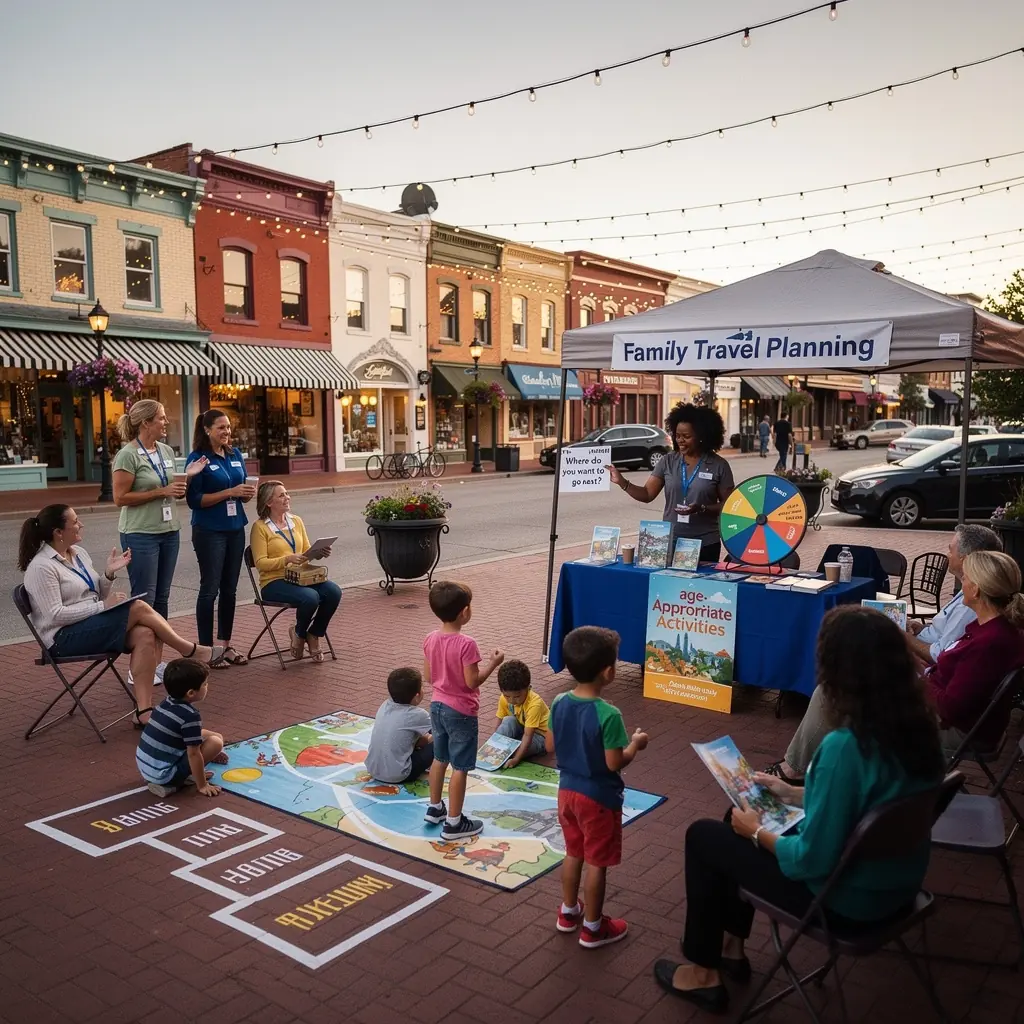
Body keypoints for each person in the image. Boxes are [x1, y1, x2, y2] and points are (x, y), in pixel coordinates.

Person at [653, 606, 945, 1013]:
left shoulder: (845, 747)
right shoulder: (920, 729)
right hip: (898, 885)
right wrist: (790, 793)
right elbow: (868, 801)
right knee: (733, 819)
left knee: (704, 837)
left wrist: (757, 833)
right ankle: (731, 950)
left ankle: (704, 973)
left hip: (846, 901)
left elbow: (812, 859)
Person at [766, 524, 1005, 784]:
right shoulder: (986, 627)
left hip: (949, 725)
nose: (947, 554)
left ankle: (803, 773)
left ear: (978, 587)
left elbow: (949, 702)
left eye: (969, 580)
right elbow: (950, 661)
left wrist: (916, 670)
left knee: (834, 695)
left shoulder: (987, 638)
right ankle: (815, 771)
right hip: (942, 706)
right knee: (847, 681)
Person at [20, 505, 223, 727]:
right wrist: (102, 607)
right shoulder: (42, 567)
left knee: (145, 633)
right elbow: (54, 616)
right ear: (58, 532)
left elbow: (95, 594)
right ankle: (188, 649)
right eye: (75, 521)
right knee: (137, 607)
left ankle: (143, 712)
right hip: (61, 638)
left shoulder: (80, 554)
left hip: (88, 625)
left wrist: (108, 574)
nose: (81, 525)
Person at [547, 626, 649, 949]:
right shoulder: (609, 714)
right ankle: (593, 927)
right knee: (596, 861)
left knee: (573, 852)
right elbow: (613, 763)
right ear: (608, 672)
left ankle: (567, 911)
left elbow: (550, 744)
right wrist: (635, 744)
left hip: (566, 792)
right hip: (599, 799)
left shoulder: (559, 702)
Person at [423, 581, 504, 842]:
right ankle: (454, 823)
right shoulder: (467, 644)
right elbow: (472, 682)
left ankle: (435, 808)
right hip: (461, 711)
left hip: (436, 706)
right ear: (465, 612)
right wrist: (493, 664)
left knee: (439, 758)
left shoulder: (430, 638)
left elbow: (428, 675)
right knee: (460, 766)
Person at [606, 404, 735, 563]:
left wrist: (702, 508)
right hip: (670, 541)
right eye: (677, 435)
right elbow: (647, 494)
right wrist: (622, 482)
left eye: (686, 436)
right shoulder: (667, 461)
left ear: (702, 436)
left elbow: (730, 505)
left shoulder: (719, 465)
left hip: (705, 543)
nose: (680, 440)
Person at [927, 549, 1024, 754]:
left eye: (965, 578)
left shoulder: (989, 643)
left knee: (862, 710)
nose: (962, 585)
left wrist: (914, 684)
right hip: (962, 719)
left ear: (976, 590)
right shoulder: (994, 627)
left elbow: (950, 708)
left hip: (961, 731)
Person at [186, 410, 255, 668]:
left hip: (235, 527)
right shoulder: (198, 459)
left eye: (228, 427)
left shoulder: (235, 454)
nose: (226, 432)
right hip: (209, 530)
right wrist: (230, 492)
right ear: (207, 429)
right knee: (210, 590)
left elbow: (241, 488)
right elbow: (194, 500)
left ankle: (225, 646)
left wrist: (246, 494)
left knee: (230, 590)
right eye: (221, 428)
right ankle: (206, 651)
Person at [250, 480, 341, 664]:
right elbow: (260, 564)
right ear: (269, 502)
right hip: (274, 582)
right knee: (310, 597)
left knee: (333, 592)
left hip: (301, 577)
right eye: (281, 495)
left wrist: (319, 553)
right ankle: (299, 635)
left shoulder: (296, 521)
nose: (287, 498)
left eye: (287, 493)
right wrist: (287, 559)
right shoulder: (260, 527)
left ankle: (313, 634)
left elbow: (306, 552)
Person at [136, 658, 225, 798]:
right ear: (191, 693)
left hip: (146, 766)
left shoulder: (166, 701)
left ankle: (184, 775)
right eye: (205, 684)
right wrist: (202, 785)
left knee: (214, 736)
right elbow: (193, 754)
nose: (207, 686)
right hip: (164, 775)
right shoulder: (190, 716)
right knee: (216, 743)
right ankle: (172, 785)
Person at [365, 667, 434, 785]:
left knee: (415, 739)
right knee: (441, 742)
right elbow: (441, 732)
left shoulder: (385, 705)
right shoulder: (417, 714)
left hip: (373, 769)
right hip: (400, 775)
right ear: (417, 695)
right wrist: (428, 739)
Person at [493, 659, 549, 769]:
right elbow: (499, 723)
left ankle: (513, 750)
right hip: (523, 727)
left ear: (528, 688)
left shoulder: (535, 703)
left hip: (541, 736)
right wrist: (493, 745)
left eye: (517, 696)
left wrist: (516, 759)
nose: (512, 701)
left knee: (510, 753)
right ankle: (497, 748)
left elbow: (528, 735)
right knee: (508, 720)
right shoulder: (504, 698)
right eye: (507, 696)